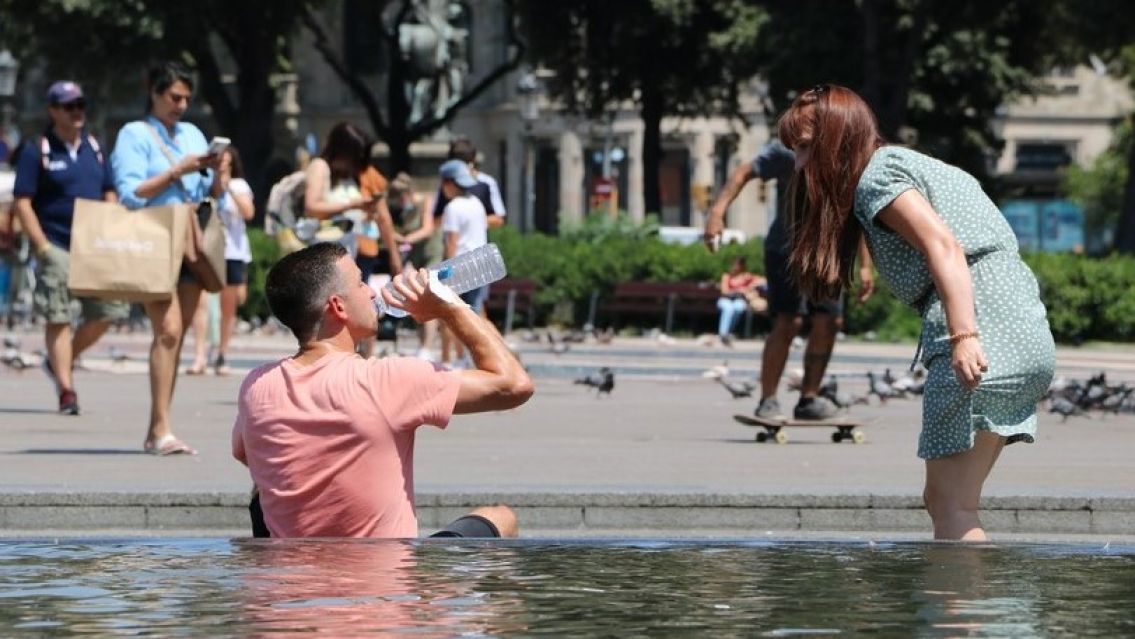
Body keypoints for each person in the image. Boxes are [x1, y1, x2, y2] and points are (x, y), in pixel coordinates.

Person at [776, 84, 1055, 540]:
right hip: (1025, 328)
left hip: (983, 330)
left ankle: (959, 611)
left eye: (806, 148)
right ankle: (991, 612)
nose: (799, 164)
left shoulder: (877, 177)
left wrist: (964, 335)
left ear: (836, 139)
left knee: (950, 507)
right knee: (951, 502)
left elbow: (943, 245)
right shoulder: (912, 163)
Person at [231, 242, 534, 538]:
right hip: (386, 585)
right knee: (501, 518)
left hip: (290, 582)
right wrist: (449, 307)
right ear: (338, 306)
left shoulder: (257, 386)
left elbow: (244, 453)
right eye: (361, 283)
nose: (373, 292)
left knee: (262, 491)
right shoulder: (387, 380)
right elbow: (514, 385)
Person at [704, 140, 874, 420]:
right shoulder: (790, 150)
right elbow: (744, 172)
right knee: (789, 320)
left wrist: (865, 265)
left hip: (829, 254)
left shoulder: (849, 154)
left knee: (829, 322)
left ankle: (808, 398)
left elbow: (858, 212)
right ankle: (768, 399)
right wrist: (716, 213)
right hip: (787, 249)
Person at [111, 61, 226, 455]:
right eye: (174, 97)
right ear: (154, 93)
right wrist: (178, 170)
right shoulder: (134, 134)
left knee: (175, 338)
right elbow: (131, 192)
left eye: (186, 98)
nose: (181, 104)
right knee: (170, 330)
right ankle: (160, 429)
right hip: (154, 237)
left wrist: (218, 170)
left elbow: (212, 190)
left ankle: (159, 426)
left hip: (191, 241)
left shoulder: (193, 133)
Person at [11, 80, 128, 414]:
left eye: (80, 105)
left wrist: (109, 223)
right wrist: (43, 247)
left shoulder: (95, 146)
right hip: (56, 244)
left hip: (94, 245)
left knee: (110, 311)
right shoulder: (39, 149)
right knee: (59, 316)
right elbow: (23, 203)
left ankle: (61, 360)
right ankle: (67, 389)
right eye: (69, 106)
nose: (77, 112)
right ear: (53, 111)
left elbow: (109, 189)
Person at [187, 145, 254, 376]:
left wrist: (229, 189)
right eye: (218, 161)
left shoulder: (240, 185)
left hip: (233, 252)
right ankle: (199, 355)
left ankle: (222, 353)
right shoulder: (205, 184)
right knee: (201, 303)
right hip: (208, 250)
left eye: (226, 161)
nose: (222, 164)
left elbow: (248, 213)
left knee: (228, 308)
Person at [437, 159, 488, 368]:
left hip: (461, 265)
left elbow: (452, 243)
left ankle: (459, 358)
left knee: (453, 314)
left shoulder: (453, 208)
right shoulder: (477, 203)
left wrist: (445, 275)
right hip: (482, 262)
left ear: (449, 183)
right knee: (476, 313)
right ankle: (480, 358)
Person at [387, 171, 439, 360]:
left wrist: (405, 239)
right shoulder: (406, 210)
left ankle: (427, 347)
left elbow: (427, 229)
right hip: (417, 258)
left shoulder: (426, 201)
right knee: (419, 300)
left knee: (430, 297)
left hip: (432, 255)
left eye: (400, 200)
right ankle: (422, 345)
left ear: (407, 194)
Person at [716, 256, 766, 346]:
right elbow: (725, 292)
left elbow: (763, 280)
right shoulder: (727, 276)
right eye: (734, 264)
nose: (735, 266)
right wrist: (739, 290)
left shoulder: (746, 276)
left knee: (739, 307)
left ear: (742, 266)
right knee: (729, 308)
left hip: (739, 300)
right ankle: (723, 334)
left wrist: (751, 285)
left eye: (737, 264)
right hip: (725, 300)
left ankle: (727, 333)